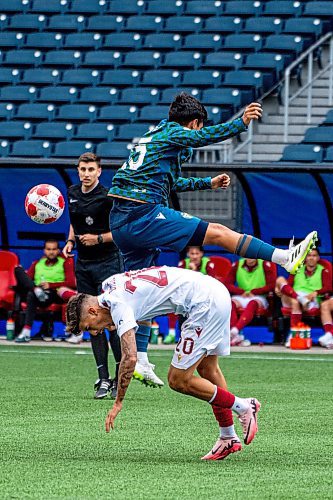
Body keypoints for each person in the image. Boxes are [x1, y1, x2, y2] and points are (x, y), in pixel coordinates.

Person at [108, 92, 318, 363]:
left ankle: (141, 359)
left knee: (141, 287)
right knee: (218, 232)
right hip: (142, 213)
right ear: (194, 122)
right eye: (200, 126)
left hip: (121, 220)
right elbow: (200, 138)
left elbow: (172, 182)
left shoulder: (156, 135)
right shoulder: (174, 132)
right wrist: (239, 123)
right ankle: (284, 257)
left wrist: (208, 183)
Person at [66, 265, 261, 461]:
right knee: (208, 369)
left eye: (89, 327)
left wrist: (118, 402)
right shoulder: (111, 283)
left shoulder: (117, 305)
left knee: (178, 380)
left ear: (92, 311)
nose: (95, 332)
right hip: (215, 290)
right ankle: (228, 436)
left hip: (204, 305)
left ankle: (244, 406)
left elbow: (129, 357)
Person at [15, 239, 76, 342]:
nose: (51, 252)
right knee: (18, 270)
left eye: (54, 249)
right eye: (48, 249)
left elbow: (72, 283)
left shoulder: (65, 262)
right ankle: (36, 290)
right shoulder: (37, 263)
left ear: (58, 251)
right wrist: (35, 288)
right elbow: (28, 280)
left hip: (55, 294)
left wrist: (50, 285)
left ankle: (26, 331)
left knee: (32, 294)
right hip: (38, 294)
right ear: (44, 250)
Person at [275, 248, 331, 347]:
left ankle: (293, 336)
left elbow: (328, 288)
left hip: (310, 301)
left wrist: (316, 292)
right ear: (305, 258)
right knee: (280, 279)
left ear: (318, 258)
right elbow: (289, 284)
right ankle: (299, 298)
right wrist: (278, 288)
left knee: (296, 302)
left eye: (314, 256)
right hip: (294, 296)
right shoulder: (297, 269)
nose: (311, 258)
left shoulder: (323, 270)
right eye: (309, 256)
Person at [224, 258, 276, 346]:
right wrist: (241, 292)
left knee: (252, 303)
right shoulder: (237, 264)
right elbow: (227, 284)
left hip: (259, 296)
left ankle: (234, 331)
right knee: (231, 303)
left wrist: (254, 292)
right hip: (242, 295)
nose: (249, 258)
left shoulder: (265, 265)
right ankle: (236, 335)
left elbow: (272, 285)